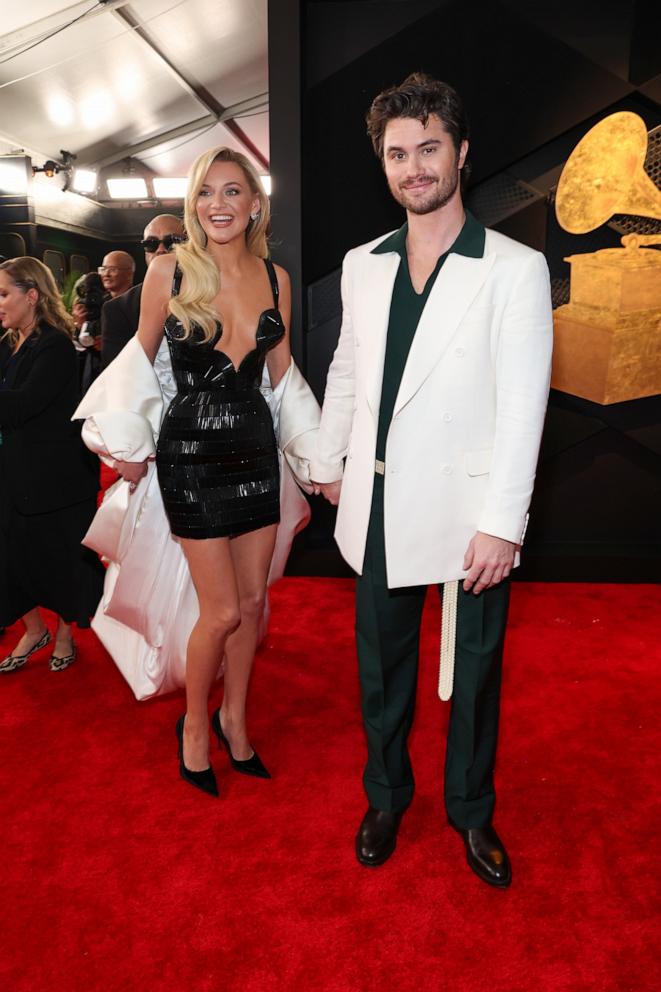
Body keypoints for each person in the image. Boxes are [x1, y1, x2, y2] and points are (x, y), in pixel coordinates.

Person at [310, 73, 553, 887]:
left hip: (469, 511)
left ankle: (472, 811)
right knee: (381, 668)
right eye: (397, 154)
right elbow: (347, 368)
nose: (413, 167)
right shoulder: (362, 264)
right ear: (383, 165)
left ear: (460, 154)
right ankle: (386, 797)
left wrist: (503, 522)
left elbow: (523, 406)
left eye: (428, 149)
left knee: (476, 676)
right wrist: (328, 458)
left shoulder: (512, 268)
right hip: (376, 505)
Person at [111, 147, 295, 798]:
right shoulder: (168, 270)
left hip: (254, 450)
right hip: (189, 454)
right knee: (218, 612)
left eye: (232, 192)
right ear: (193, 204)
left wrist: (318, 454)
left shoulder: (277, 278)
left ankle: (234, 718)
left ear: (253, 204)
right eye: (205, 193)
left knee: (252, 603)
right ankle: (193, 727)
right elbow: (136, 364)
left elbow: (285, 381)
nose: (217, 204)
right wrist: (124, 441)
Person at [0, 257, 104, 673]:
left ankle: (62, 634)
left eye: (4, 293)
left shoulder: (55, 345)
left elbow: (23, 405)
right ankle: (32, 628)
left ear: (32, 296)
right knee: (9, 558)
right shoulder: (8, 343)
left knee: (63, 561)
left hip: (57, 479)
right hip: (14, 474)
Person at [101, 215, 185, 369]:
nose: (160, 250)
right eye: (151, 244)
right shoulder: (118, 309)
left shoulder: (214, 296)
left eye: (171, 242)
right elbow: (118, 376)